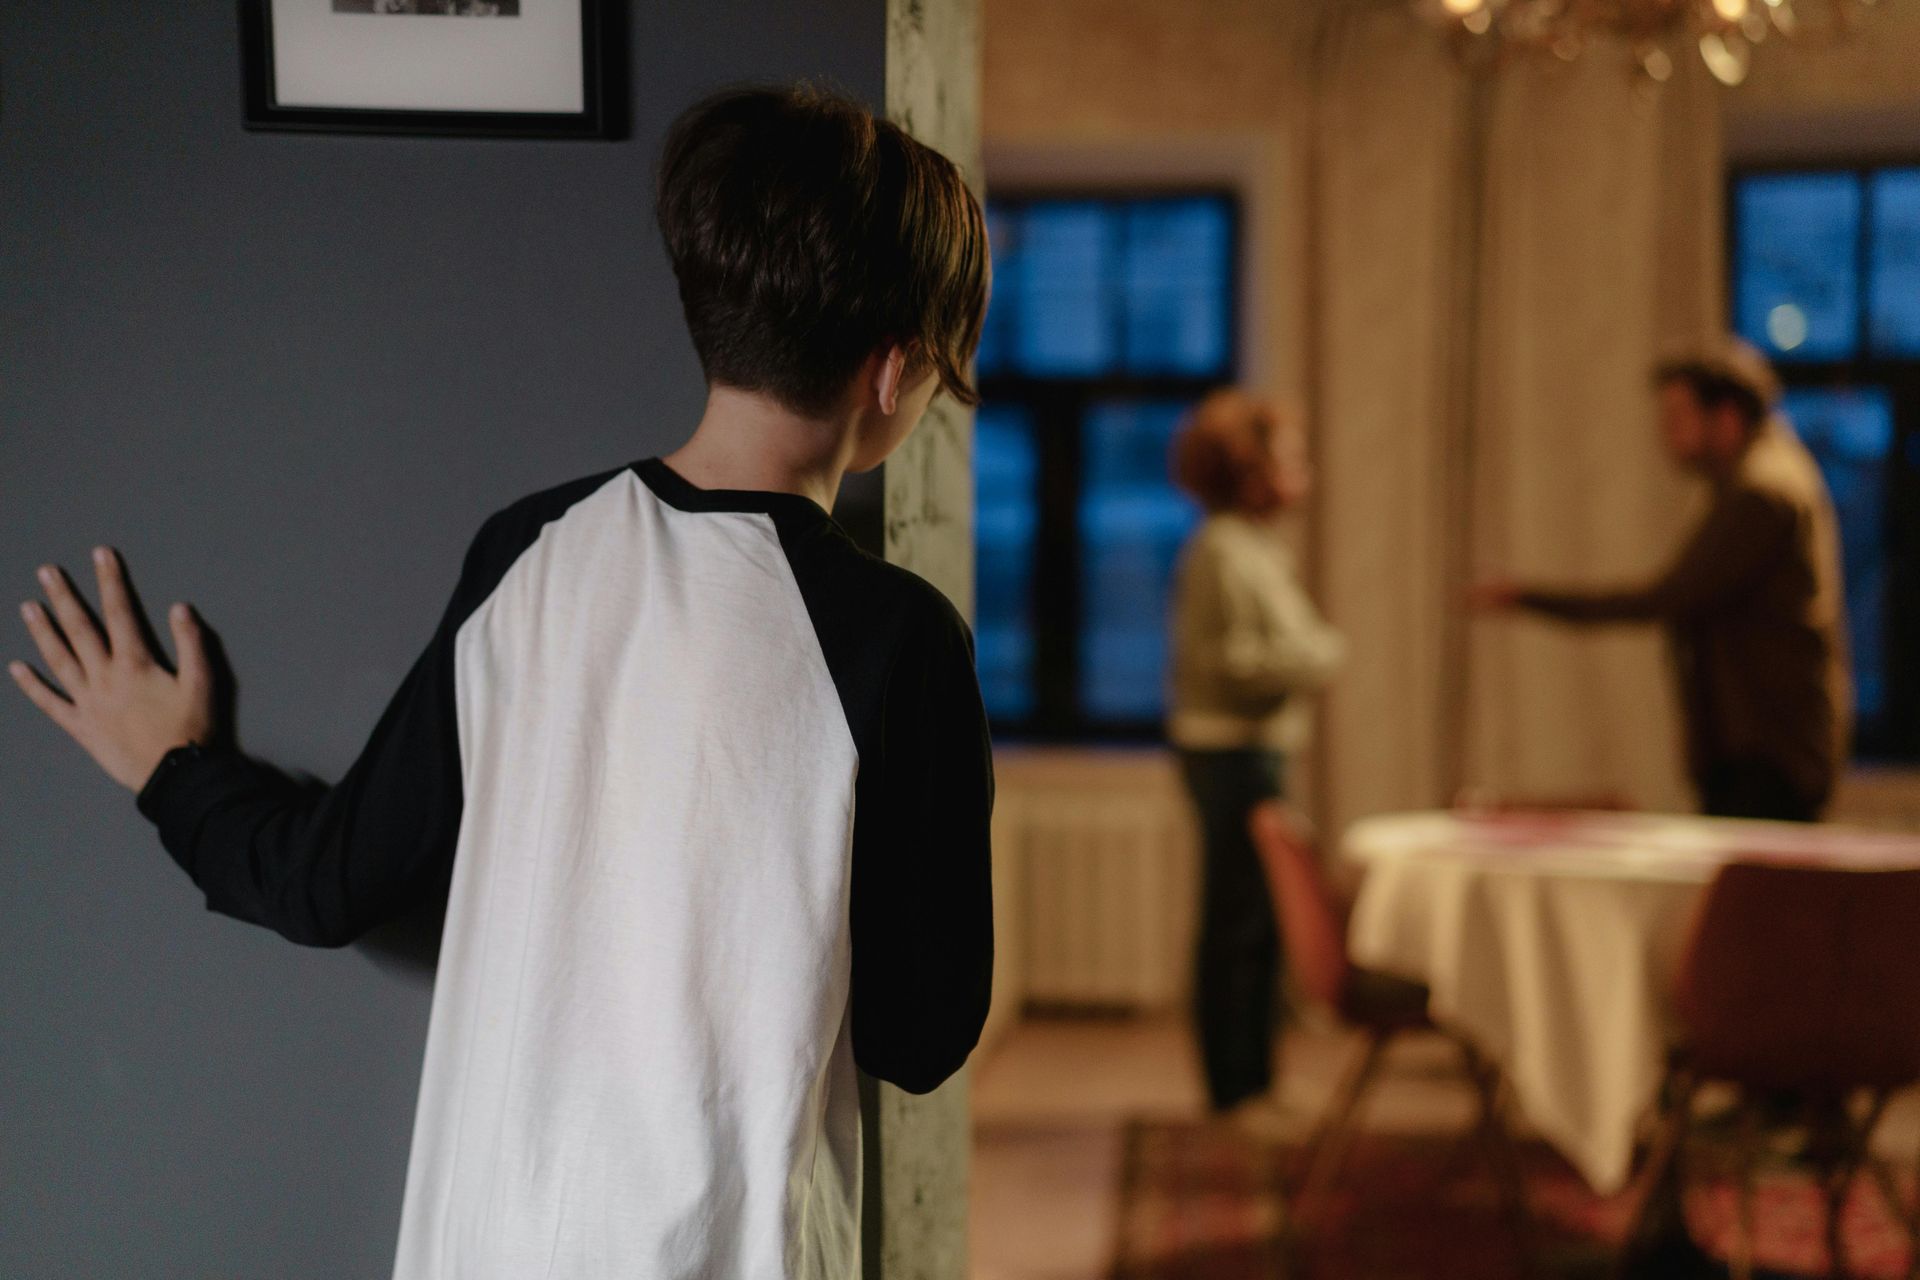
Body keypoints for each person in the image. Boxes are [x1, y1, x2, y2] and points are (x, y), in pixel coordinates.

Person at [8, 85, 994, 1280]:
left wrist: (171, 769)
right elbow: (919, 1032)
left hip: (487, 1244)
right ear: (895, 370)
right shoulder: (900, 636)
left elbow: (328, 882)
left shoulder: (530, 549)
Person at [1472, 337, 1850, 823]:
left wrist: (1526, 597)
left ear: (1726, 418)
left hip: (1768, 753)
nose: (1665, 433)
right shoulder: (1768, 477)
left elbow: (1668, 597)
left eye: (1677, 417)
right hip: (1766, 746)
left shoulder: (1762, 492)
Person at [1166, 390, 1345, 1119]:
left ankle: (1259, 1080)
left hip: (1254, 751)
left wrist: (1313, 652)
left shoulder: (1253, 547)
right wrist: (1316, 657)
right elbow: (1226, 662)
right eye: (1290, 458)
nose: (1305, 471)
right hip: (1228, 754)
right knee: (1238, 922)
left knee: (1264, 921)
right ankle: (1234, 1091)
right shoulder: (1221, 550)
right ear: (1249, 470)